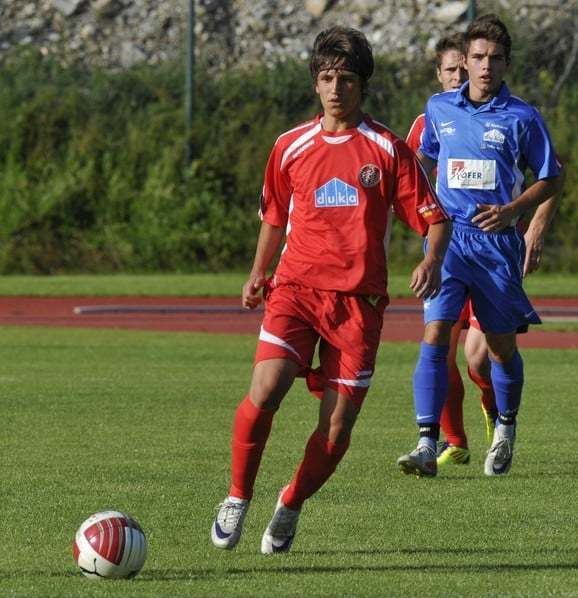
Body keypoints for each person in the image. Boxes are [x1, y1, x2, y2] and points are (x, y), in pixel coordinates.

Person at [210, 25, 451, 554]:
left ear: (361, 84)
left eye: (345, 77)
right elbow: (274, 215)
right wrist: (258, 271)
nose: (335, 86)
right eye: (326, 77)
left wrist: (432, 258)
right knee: (267, 387)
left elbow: (434, 218)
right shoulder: (289, 147)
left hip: (358, 306)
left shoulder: (387, 148)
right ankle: (236, 496)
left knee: (338, 429)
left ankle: (290, 503)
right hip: (295, 290)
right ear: (315, 85)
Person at [397, 14, 563, 478]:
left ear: (506, 63)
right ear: (464, 61)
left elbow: (553, 176)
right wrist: (423, 216)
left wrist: (514, 212)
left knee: (499, 346)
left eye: (494, 58)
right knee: (434, 334)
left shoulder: (523, 117)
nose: (485, 66)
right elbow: (423, 163)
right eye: (477, 58)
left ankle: (505, 427)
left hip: (496, 246)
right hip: (450, 242)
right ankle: (427, 441)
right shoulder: (439, 109)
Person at [406, 33, 499, 468]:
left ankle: (494, 406)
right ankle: (452, 441)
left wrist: (530, 226)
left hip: (492, 248)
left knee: (478, 357)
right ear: (438, 75)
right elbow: (406, 181)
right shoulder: (430, 121)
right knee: (439, 345)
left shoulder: (502, 115)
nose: (460, 77)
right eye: (451, 70)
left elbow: (540, 174)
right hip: (447, 251)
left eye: (466, 68)